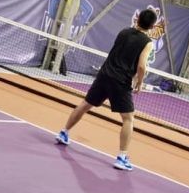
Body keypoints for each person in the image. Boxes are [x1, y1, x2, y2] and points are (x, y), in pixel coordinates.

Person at [55, 9, 156, 171]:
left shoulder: (123, 32)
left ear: (137, 19)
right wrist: (139, 82)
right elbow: (142, 66)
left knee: (85, 104)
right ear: (152, 26)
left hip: (104, 75)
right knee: (128, 119)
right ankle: (122, 157)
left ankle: (63, 132)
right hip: (121, 81)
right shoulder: (147, 43)